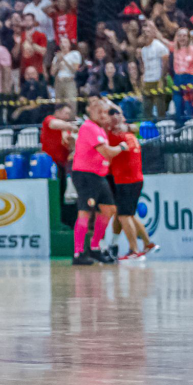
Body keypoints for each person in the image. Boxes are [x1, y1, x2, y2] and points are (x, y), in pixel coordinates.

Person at [69, 96, 129, 266]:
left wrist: (110, 105)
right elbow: (106, 152)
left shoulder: (100, 128)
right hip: (85, 175)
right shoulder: (89, 127)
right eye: (98, 111)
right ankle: (78, 252)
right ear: (89, 110)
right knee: (84, 212)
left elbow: (120, 118)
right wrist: (121, 147)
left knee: (109, 209)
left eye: (104, 112)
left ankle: (95, 247)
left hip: (98, 174)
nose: (102, 114)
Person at [105, 110, 158, 260]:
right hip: (135, 179)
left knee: (124, 215)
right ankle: (147, 243)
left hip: (125, 181)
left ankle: (134, 250)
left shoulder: (115, 137)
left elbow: (103, 147)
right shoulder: (129, 135)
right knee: (128, 214)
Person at [41, 103, 76, 206]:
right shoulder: (49, 119)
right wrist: (71, 126)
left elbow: (70, 146)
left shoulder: (66, 130)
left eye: (69, 114)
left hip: (62, 164)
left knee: (61, 191)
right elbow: (53, 124)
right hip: (50, 164)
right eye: (66, 113)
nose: (67, 117)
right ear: (57, 112)